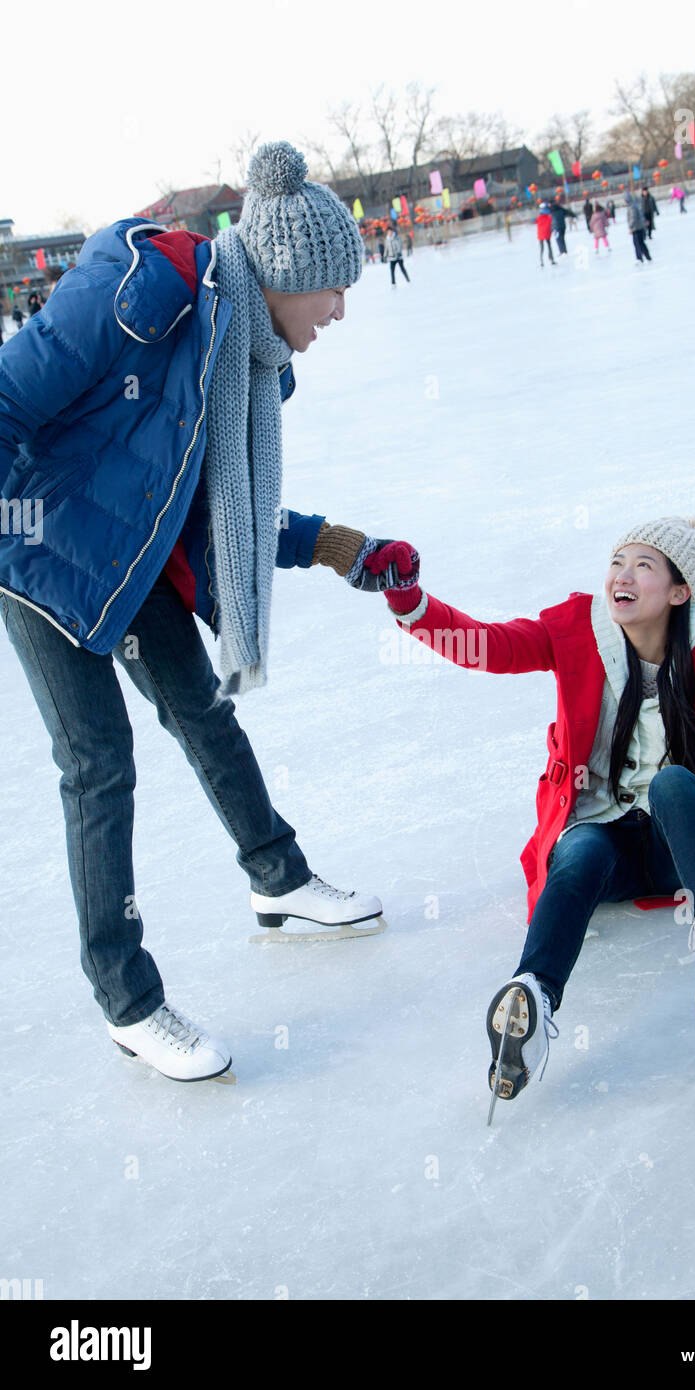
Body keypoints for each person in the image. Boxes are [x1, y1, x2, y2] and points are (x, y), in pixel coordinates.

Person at [0, 140, 420, 1085]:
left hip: (130, 551)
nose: (340, 311)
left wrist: (337, 547)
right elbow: (7, 398)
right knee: (97, 765)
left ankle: (279, 880)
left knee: (202, 710)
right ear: (288, 276)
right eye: (333, 291)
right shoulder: (142, 288)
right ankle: (127, 1002)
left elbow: (219, 506)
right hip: (39, 548)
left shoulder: (247, 366)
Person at [377, 517, 695, 1107]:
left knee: (674, 784)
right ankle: (533, 996)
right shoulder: (576, 632)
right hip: (611, 837)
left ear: (679, 591)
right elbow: (489, 646)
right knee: (579, 847)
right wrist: (410, 602)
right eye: (617, 562)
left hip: (688, 840)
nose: (622, 577)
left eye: (643, 565)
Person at [624, 190, 652, 263]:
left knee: (638, 243)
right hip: (637, 227)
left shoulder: (632, 207)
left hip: (636, 228)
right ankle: (644, 257)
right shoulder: (632, 206)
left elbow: (633, 218)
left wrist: (630, 226)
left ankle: (641, 258)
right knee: (639, 243)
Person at [536, 202, 556, 267]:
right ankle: (551, 259)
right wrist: (553, 230)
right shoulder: (549, 217)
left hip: (540, 234)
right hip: (547, 233)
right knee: (549, 246)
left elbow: (535, 221)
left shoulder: (539, 218)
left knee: (542, 248)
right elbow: (552, 225)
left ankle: (541, 261)